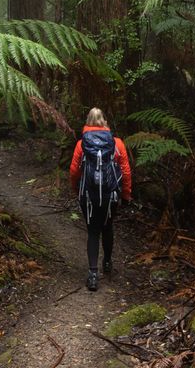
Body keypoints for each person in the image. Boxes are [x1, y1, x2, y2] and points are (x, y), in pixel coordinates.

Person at [69, 107, 132, 291]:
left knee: (93, 231)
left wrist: (76, 188)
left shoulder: (82, 144)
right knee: (107, 227)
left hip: (88, 195)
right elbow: (125, 171)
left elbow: (74, 171)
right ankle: (107, 262)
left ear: (88, 121)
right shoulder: (116, 143)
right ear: (104, 121)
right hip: (110, 195)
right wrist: (126, 194)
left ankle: (93, 274)